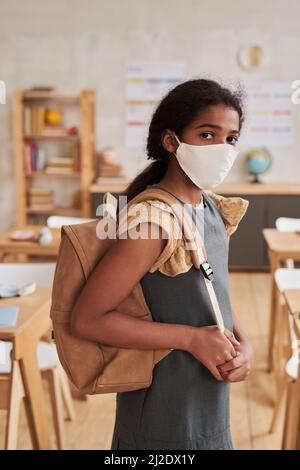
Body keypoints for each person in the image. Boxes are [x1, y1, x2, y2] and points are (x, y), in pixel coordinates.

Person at [71, 78, 253, 450]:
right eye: (207, 135)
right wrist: (190, 338)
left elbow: (212, 294)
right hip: (161, 415)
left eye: (231, 138)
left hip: (209, 404)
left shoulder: (214, 210)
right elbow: (88, 318)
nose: (222, 148)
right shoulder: (153, 222)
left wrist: (244, 346)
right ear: (171, 142)